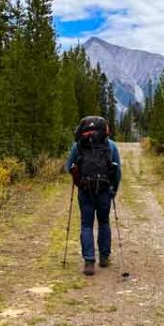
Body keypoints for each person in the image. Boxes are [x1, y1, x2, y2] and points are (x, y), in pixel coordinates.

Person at [65, 116, 122, 276]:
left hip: (85, 190)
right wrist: (113, 189)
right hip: (104, 190)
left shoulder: (78, 146)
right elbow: (117, 172)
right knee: (104, 222)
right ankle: (104, 257)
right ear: (105, 130)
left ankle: (89, 261)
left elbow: (69, 166)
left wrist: (78, 181)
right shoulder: (111, 146)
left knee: (86, 225)